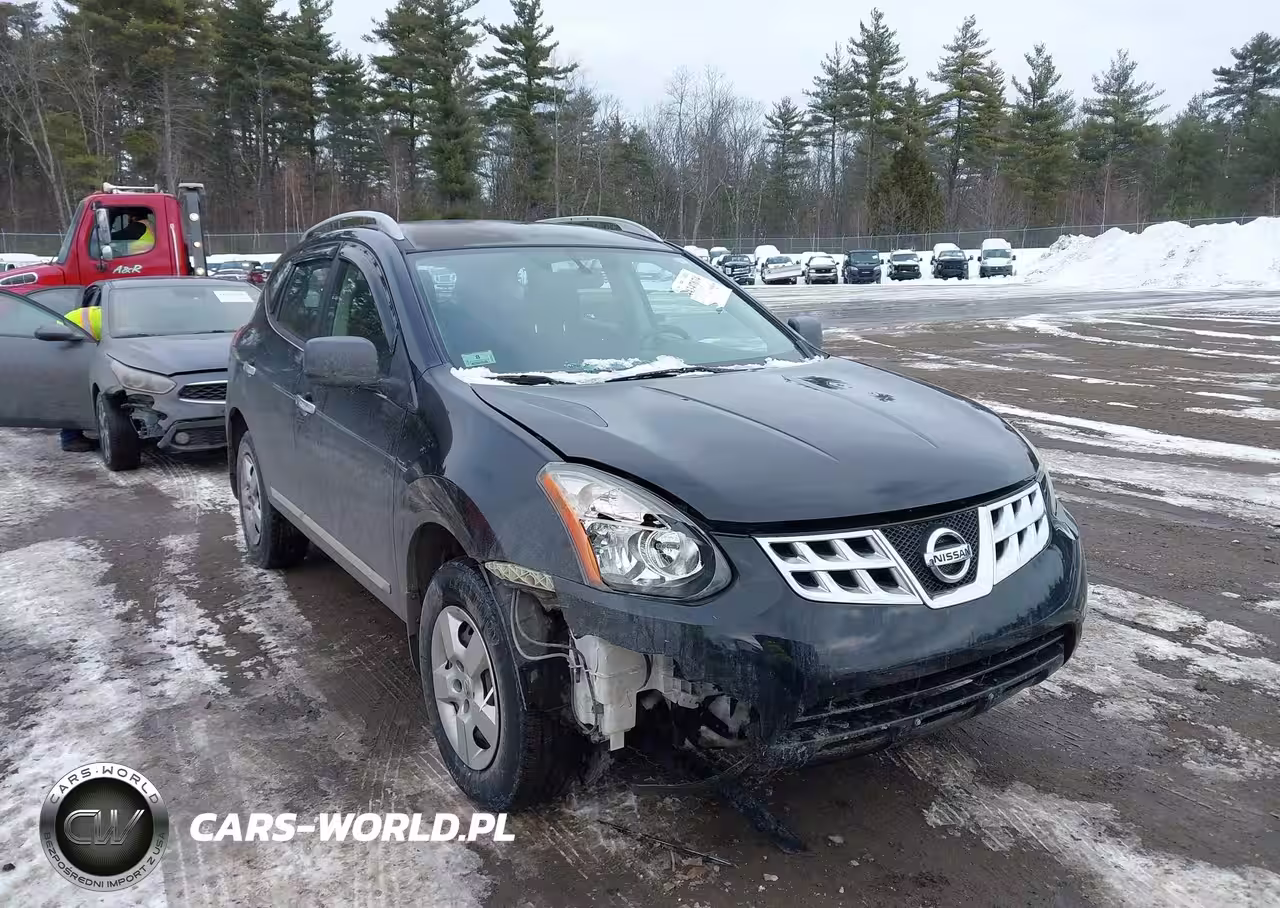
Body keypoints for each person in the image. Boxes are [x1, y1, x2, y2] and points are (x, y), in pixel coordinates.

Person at [58, 305, 103, 453]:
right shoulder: (117, 319)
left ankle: (71, 437)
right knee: (76, 392)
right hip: (71, 350)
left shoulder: (105, 312)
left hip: (70, 347)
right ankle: (70, 438)